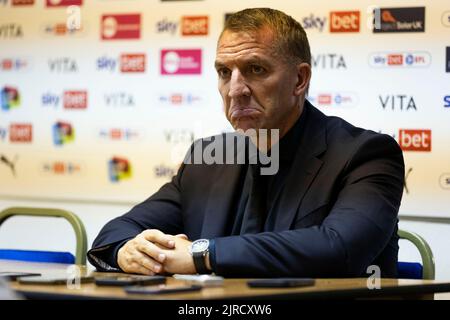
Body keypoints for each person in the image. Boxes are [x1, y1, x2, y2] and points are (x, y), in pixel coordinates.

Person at [88, 8, 404, 278]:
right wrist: (127, 251)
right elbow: (115, 232)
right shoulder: (206, 158)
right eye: (225, 72)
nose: (235, 90)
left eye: (255, 69)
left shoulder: (367, 155)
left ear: (299, 80)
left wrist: (200, 254)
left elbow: (340, 249)